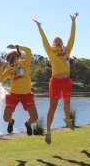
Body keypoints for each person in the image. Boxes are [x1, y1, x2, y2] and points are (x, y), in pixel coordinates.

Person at [33, 12, 78, 144]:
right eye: (55, 40)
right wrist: (40, 28)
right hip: (55, 81)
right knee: (53, 107)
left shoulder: (66, 51)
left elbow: (72, 38)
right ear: (53, 44)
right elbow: (44, 41)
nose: (58, 41)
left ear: (62, 43)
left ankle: (68, 120)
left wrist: (73, 22)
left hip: (66, 81)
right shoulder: (50, 51)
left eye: (59, 40)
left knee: (67, 102)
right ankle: (48, 131)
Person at [0, 44, 38, 136]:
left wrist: (16, 47)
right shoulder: (9, 68)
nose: (14, 59)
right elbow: (0, 79)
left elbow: (28, 50)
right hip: (14, 95)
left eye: (16, 57)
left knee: (34, 118)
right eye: (11, 58)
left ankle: (28, 124)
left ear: (19, 56)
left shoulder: (25, 63)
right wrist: (0, 67)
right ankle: (11, 122)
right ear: (9, 60)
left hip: (26, 95)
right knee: (6, 118)